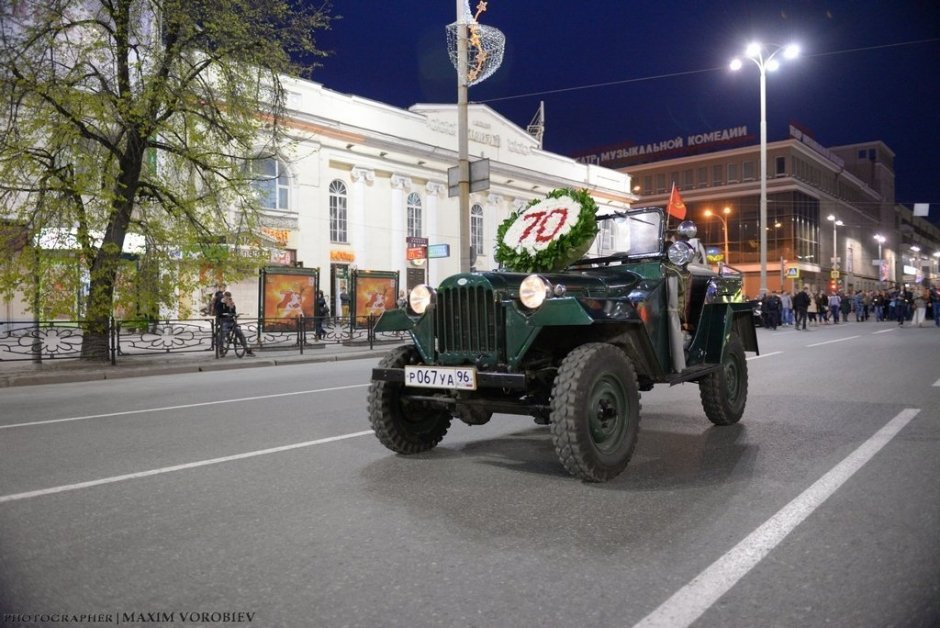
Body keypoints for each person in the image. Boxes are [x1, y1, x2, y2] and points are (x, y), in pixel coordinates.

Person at [219, 292, 254, 356]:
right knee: (223, 333)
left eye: (229, 298)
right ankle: (221, 349)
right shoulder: (220, 304)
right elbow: (219, 313)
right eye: (227, 298)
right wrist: (226, 307)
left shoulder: (231, 303)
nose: (228, 299)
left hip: (232, 321)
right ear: (224, 297)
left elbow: (234, 312)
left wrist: (232, 307)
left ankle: (246, 349)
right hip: (224, 321)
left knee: (239, 332)